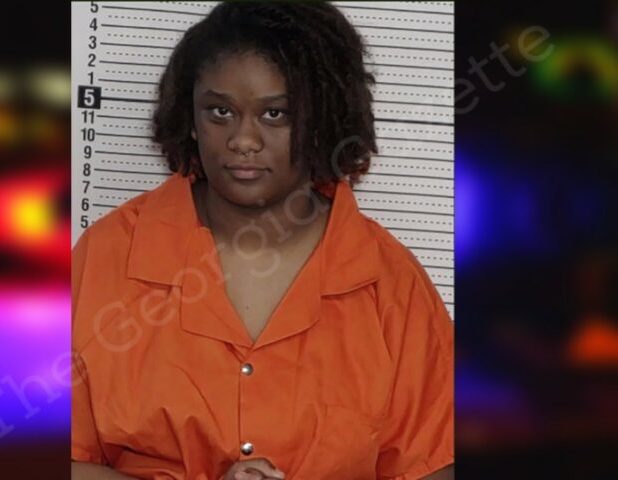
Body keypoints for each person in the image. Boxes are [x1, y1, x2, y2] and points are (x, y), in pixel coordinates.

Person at [71, 2, 454, 479]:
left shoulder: (391, 284)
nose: (243, 140)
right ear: (190, 118)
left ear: (324, 121)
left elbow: (434, 464)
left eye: (275, 114)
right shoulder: (107, 256)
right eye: (220, 112)